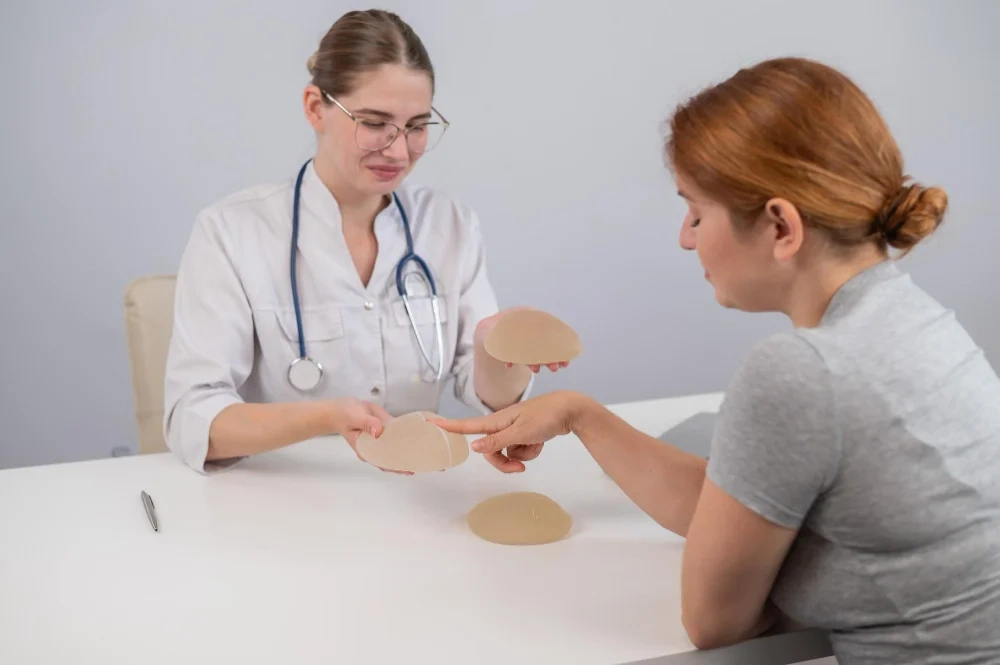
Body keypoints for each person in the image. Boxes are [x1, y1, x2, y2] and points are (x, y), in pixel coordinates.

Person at [435, 57, 1000, 663]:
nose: (686, 237)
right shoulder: (919, 321)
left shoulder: (801, 370)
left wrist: (774, 568)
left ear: (781, 227)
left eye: (698, 213)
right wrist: (578, 413)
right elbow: (734, 507)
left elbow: (715, 624)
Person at [163, 9, 565, 474]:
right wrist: (326, 417)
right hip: (283, 497)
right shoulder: (231, 232)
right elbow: (191, 417)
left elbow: (488, 398)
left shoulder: (450, 224)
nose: (398, 150)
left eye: (417, 126)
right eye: (375, 123)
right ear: (316, 107)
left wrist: (498, 350)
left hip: (418, 494)